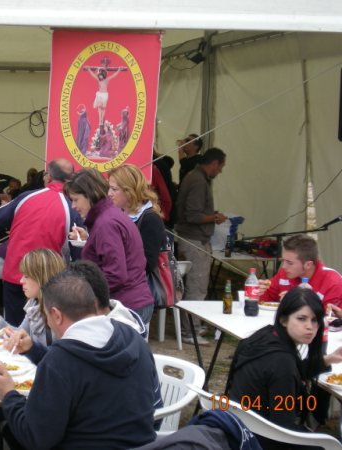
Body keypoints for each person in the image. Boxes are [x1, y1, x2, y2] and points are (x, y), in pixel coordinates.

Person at [0, 272, 157, 449]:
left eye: (46, 314)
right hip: (144, 445)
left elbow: (36, 438)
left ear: (56, 314)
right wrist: (34, 350)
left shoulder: (60, 360)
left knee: (7, 429)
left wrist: (8, 394)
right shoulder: (134, 339)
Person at [0, 248, 65, 450]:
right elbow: (18, 340)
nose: (21, 280)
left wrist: (30, 347)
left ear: (43, 278)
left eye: (27, 276)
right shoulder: (35, 306)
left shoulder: (60, 316)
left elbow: (59, 363)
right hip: (32, 385)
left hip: (46, 395)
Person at [227, 287, 342, 450]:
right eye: (301, 318)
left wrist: (329, 359)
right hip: (261, 438)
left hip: (238, 427)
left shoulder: (264, 337)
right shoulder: (282, 361)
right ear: (283, 320)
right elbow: (283, 426)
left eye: (315, 320)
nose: (310, 327)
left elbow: (286, 373)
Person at [0, 158, 81, 325]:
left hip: (16, 275)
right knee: (45, 332)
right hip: (48, 281)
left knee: (14, 331)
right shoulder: (72, 208)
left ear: (48, 176)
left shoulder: (27, 197)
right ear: (71, 179)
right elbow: (79, 253)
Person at [67, 168, 154, 329]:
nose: (73, 206)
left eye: (76, 199)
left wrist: (82, 293)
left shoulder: (106, 223)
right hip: (130, 302)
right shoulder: (108, 216)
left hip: (126, 306)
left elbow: (116, 274)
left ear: (90, 195)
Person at [175, 148, 228, 345]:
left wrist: (212, 214)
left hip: (196, 239)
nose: (220, 171)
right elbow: (192, 215)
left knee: (198, 286)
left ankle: (193, 324)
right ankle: (190, 331)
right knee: (196, 287)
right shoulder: (197, 180)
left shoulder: (197, 177)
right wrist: (214, 217)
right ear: (214, 163)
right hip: (194, 240)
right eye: (221, 166)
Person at [108, 163, 166, 286]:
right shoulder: (121, 214)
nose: (109, 193)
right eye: (109, 188)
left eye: (114, 189)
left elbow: (147, 264)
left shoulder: (150, 219)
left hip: (142, 293)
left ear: (129, 190)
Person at [257, 234, 342, 309]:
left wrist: (296, 302)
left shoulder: (333, 282)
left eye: (289, 263)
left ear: (308, 265)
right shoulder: (285, 273)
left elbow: (332, 321)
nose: (284, 266)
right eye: (284, 260)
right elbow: (266, 300)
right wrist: (258, 292)